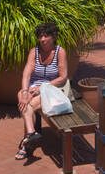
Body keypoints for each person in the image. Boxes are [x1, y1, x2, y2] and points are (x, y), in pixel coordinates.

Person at [16, 22, 69, 160]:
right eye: (40, 36)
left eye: (46, 36)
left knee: (28, 106)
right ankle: (31, 134)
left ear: (53, 36)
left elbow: (63, 77)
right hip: (34, 87)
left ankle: (27, 140)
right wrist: (25, 91)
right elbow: (26, 74)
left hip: (52, 88)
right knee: (22, 97)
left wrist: (42, 88)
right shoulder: (35, 51)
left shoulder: (60, 52)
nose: (43, 39)